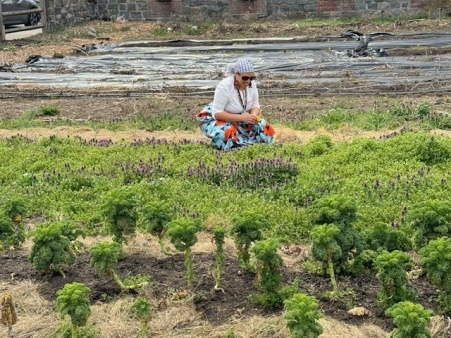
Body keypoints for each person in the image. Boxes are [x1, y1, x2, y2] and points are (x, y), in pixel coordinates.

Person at [196, 57, 275, 150]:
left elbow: (255, 105)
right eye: (245, 78)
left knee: (262, 125)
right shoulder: (224, 86)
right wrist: (242, 117)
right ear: (237, 74)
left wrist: (252, 116)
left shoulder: (252, 85)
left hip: (242, 116)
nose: (248, 81)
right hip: (220, 118)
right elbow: (217, 113)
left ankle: (251, 145)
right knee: (226, 132)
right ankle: (236, 147)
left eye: (252, 77)